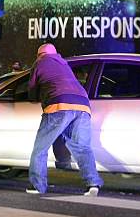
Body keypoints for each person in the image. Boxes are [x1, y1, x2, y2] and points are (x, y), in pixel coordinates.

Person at [26, 43, 103, 196]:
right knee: (82, 147)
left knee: (40, 149)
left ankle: (38, 186)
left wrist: (36, 97)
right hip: (82, 106)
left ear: (40, 54)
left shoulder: (40, 62)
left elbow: (32, 90)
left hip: (59, 104)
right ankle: (93, 183)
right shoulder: (64, 64)